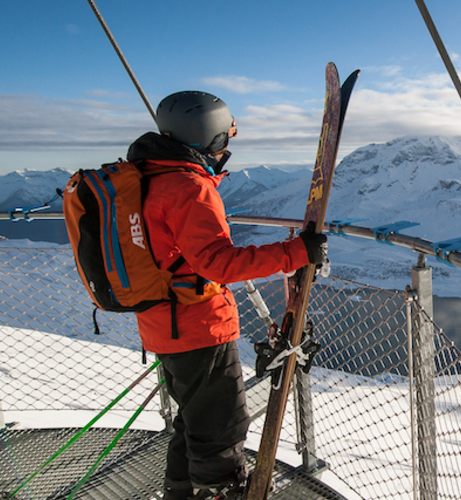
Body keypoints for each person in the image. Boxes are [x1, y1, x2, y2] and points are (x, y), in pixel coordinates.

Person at [129, 90, 326, 500]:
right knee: (223, 427)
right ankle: (219, 492)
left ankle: (180, 492)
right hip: (197, 327)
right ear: (209, 138)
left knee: (194, 420)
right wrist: (296, 253)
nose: (227, 148)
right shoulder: (187, 187)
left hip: (163, 324)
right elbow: (218, 263)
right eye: (225, 138)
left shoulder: (148, 177)